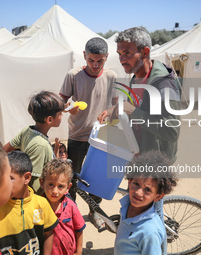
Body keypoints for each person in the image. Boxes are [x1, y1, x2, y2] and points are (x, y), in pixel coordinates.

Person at [98, 27, 180, 163]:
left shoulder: (164, 83)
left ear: (145, 52)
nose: (122, 59)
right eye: (119, 54)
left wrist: (133, 111)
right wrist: (118, 108)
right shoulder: (135, 78)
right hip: (137, 157)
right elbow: (137, 105)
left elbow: (171, 131)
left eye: (127, 53)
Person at [59, 37, 118, 229]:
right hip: (77, 135)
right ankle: (72, 212)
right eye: (91, 60)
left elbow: (119, 104)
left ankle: (95, 212)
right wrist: (68, 108)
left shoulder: (112, 77)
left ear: (107, 57)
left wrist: (109, 111)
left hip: (101, 138)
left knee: (97, 179)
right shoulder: (73, 75)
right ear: (84, 56)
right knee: (72, 177)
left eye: (99, 60)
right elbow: (61, 102)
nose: (95, 64)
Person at [0, 151, 58, 255]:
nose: (3, 183)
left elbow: (48, 234)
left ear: (26, 178)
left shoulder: (41, 204)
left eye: (10, 178)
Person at [114, 150, 178, 255]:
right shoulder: (127, 206)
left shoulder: (149, 232)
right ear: (129, 181)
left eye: (147, 190)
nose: (138, 192)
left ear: (158, 196)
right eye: (136, 183)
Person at [3, 91, 65, 195]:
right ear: (49, 119)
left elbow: (5, 149)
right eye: (60, 113)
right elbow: (33, 183)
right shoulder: (40, 145)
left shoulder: (28, 130)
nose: (62, 115)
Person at [40, 158, 85, 255]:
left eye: (60, 186)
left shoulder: (71, 206)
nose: (55, 191)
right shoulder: (37, 207)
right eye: (51, 185)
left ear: (68, 188)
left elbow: (79, 230)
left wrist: (79, 251)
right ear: (42, 183)